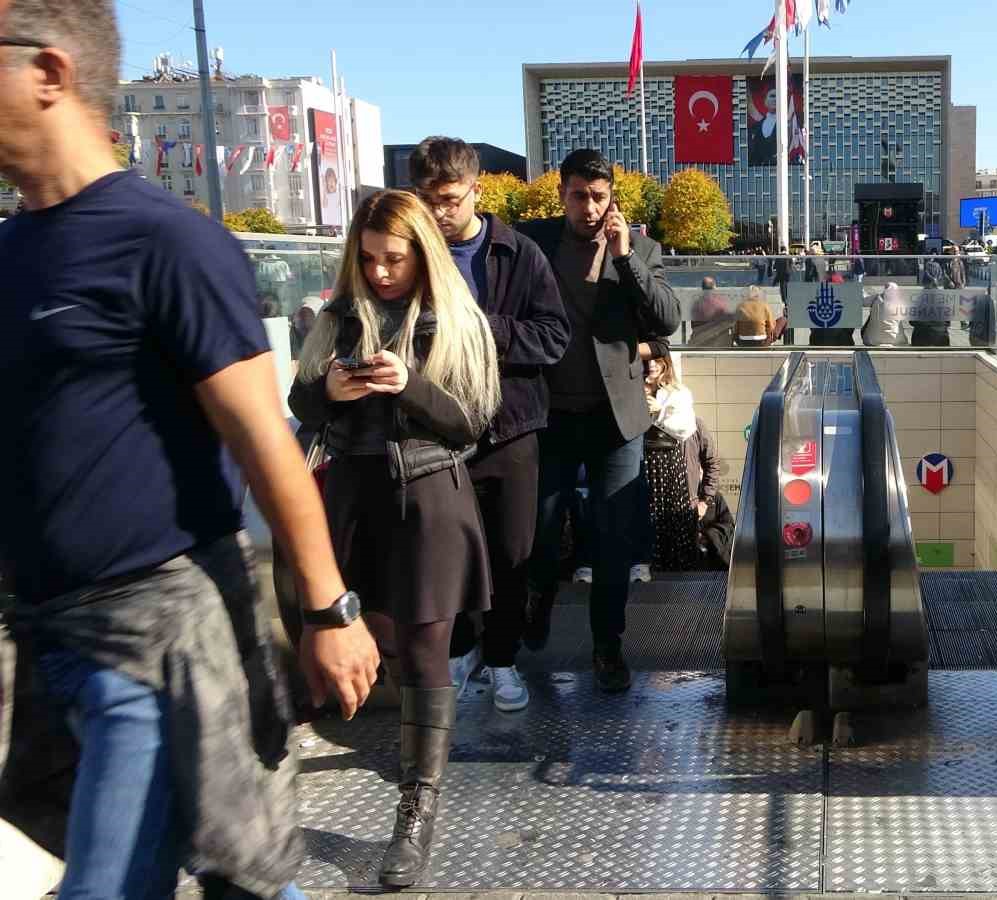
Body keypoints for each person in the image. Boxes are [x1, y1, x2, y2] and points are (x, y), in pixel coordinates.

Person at [0, 2, 379, 896]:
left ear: (49, 73)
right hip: (39, 639)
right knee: (233, 879)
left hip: (155, 643)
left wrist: (330, 613)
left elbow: (264, 441)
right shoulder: (11, 250)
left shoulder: (165, 240)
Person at [288, 189, 500, 888]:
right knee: (353, 632)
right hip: (356, 495)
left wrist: (408, 384)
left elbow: (471, 421)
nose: (380, 273)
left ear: (422, 256)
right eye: (370, 258)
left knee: (422, 649)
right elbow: (299, 401)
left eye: (395, 260)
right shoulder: (338, 317)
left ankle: (418, 808)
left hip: (430, 498)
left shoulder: (452, 317)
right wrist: (332, 393)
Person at [408, 137, 570, 714]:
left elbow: (553, 338)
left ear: (477, 189)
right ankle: (459, 650)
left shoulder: (519, 253)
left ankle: (502, 660)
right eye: (428, 200)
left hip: (510, 429)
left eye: (450, 199)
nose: (439, 212)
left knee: (511, 553)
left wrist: (484, 329)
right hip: (432, 434)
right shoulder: (410, 253)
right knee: (442, 554)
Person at [519, 149, 680, 693]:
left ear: (613, 199)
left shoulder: (641, 249)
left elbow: (666, 320)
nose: (588, 207)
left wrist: (627, 257)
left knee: (612, 544)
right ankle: (538, 597)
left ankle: (607, 647)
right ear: (561, 193)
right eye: (578, 195)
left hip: (616, 423)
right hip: (550, 417)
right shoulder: (532, 242)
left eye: (598, 197)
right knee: (539, 531)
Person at [639, 352, 720, 572]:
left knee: (678, 541)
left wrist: (705, 500)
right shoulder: (633, 392)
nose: (652, 366)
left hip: (679, 486)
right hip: (646, 477)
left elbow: (710, 459)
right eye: (646, 362)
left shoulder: (680, 395)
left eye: (656, 360)